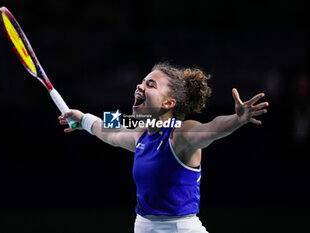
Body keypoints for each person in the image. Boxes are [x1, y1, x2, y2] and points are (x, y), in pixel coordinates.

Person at [58, 62, 268, 233]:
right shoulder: (141, 131)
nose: (140, 87)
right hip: (143, 226)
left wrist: (237, 119)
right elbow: (112, 130)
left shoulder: (181, 134)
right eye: (141, 82)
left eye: (150, 85)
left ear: (169, 103)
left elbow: (211, 128)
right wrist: (83, 119)